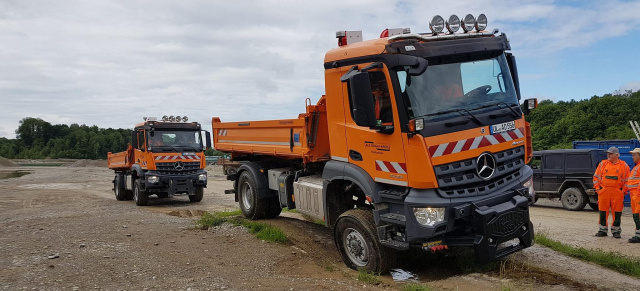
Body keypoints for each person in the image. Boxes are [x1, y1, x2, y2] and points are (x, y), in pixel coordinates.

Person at [593, 146, 629, 238]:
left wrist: (623, 191)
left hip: (617, 192)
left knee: (617, 212)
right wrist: (598, 189)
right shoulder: (603, 164)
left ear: (617, 155)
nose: (608, 155)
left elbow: (627, 180)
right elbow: (596, 177)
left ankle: (616, 231)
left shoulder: (624, 165)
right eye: (608, 153)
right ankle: (602, 230)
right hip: (604, 191)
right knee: (602, 211)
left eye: (610, 153)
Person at [627, 148, 640, 243]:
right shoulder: (636, 167)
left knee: (638, 215)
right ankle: (638, 234)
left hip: (637, 195)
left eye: (634, 154)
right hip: (634, 195)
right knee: (636, 215)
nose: (632, 156)